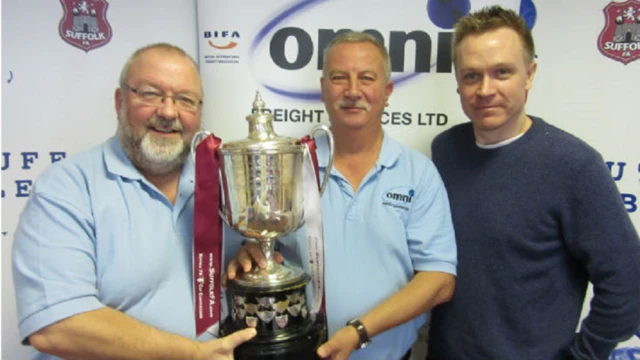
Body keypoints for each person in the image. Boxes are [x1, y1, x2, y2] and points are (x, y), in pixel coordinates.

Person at [12, 43, 256, 360]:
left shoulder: (225, 181)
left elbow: (248, 262)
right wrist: (192, 355)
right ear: (120, 101)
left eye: (185, 100)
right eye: (150, 94)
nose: (168, 112)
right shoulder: (67, 187)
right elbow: (56, 325)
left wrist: (252, 258)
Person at [226, 31, 458, 360]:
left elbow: (439, 280)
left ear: (387, 91)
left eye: (366, 78)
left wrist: (360, 331)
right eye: (339, 78)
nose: (352, 91)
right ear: (323, 88)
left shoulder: (418, 173)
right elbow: (261, 245)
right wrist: (252, 252)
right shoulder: (288, 166)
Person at [427, 6, 640, 360]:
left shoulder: (574, 165)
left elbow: (628, 284)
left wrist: (583, 356)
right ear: (458, 82)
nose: (485, 89)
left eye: (502, 73)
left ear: (529, 74)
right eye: (471, 76)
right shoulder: (446, 150)